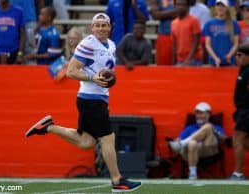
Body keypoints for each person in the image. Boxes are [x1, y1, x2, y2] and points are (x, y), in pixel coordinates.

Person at [25, 13, 142, 193]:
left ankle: (48, 127)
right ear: (91, 27)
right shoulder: (88, 44)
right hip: (90, 99)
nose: (101, 28)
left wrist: (103, 84)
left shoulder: (110, 44)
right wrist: (93, 78)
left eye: (105, 25)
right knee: (108, 138)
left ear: (110, 27)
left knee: (86, 142)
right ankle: (117, 180)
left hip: (98, 99)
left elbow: (104, 72)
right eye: (98, 25)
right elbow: (71, 71)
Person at [168, 102, 227, 179]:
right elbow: (179, 138)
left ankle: (183, 143)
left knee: (208, 127)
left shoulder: (216, 127)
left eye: (201, 113)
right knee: (192, 143)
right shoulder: (190, 128)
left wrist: (215, 131)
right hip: (191, 152)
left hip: (209, 149)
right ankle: (193, 174)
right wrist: (177, 141)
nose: (198, 116)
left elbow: (225, 139)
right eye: (197, 113)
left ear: (208, 114)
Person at [229, 44, 249, 180]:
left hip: (247, 110)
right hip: (243, 110)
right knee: (245, 142)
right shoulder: (243, 70)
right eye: (236, 55)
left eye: (240, 55)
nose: (237, 58)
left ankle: (238, 173)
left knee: (238, 139)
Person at [203, 0, 240, 67]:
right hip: (214, 63)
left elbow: (236, 43)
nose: (220, 7)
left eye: (223, 5)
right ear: (215, 7)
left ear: (227, 7)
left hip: (230, 63)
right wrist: (215, 58)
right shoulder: (209, 23)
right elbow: (207, 44)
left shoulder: (234, 23)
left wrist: (229, 55)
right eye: (218, 5)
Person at [150, 0, 185, 66]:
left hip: (181, 35)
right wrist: (175, 12)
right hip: (164, 35)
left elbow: (182, 11)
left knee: (180, 66)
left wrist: (161, 14)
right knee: (163, 67)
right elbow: (155, 16)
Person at [171, 0, 202, 66]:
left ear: (187, 7)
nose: (180, 7)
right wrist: (173, 61)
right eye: (178, 4)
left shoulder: (194, 21)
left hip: (194, 60)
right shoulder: (173, 23)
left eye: (182, 5)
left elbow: (196, 42)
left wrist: (188, 60)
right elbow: (174, 44)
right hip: (180, 60)